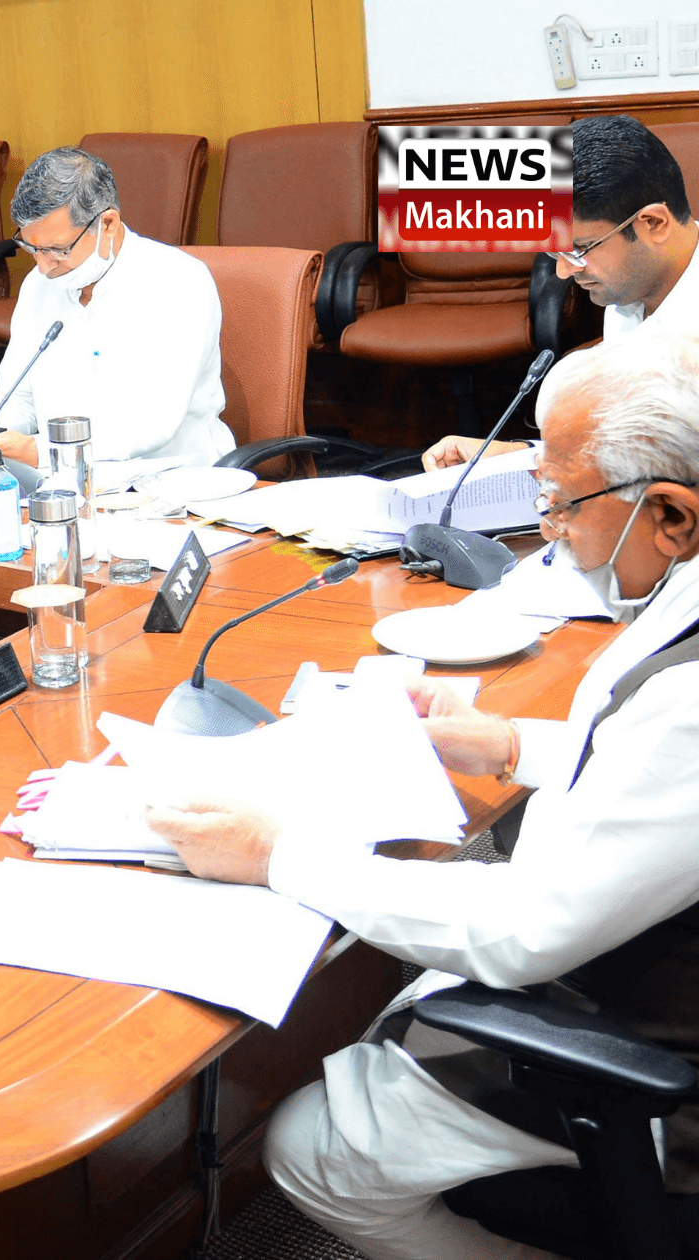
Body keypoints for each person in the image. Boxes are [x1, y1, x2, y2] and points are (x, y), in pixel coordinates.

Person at [147, 326, 699, 1260]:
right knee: (415, 983)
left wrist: (276, 854)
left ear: (673, 517)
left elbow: (527, 930)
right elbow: (655, 771)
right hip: (636, 948)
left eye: (563, 505)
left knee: (312, 1147)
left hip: (658, 1054)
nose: (551, 533)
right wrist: (511, 743)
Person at [0, 147, 230, 470]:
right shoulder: (39, 285)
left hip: (173, 478)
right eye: (33, 248)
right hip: (65, 479)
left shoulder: (179, 281)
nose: (44, 267)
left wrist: (40, 452)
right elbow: (20, 400)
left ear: (108, 224)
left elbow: (152, 424)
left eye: (58, 250)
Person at [425, 114, 699, 470]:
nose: (563, 271)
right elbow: (637, 448)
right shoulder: (632, 292)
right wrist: (517, 456)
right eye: (555, 252)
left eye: (579, 249)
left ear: (654, 223)